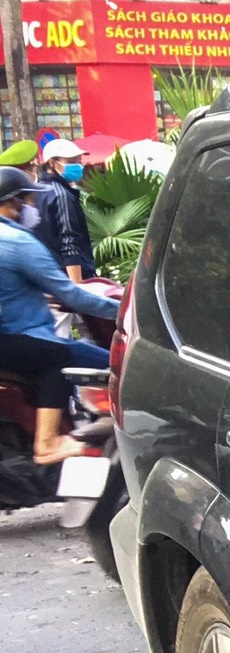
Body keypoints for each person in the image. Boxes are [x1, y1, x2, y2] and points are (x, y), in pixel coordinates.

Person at [0, 164, 119, 464]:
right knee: (71, 359)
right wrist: (126, 311)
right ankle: (48, 444)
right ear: (13, 203)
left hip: (12, 337)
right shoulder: (17, 243)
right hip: (15, 337)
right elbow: (71, 293)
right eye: (28, 200)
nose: (32, 207)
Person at [32, 137, 96, 284]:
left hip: (47, 276)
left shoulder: (37, 191)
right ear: (53, 163)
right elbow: (69, 240)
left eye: (78, 161)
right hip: (68, 277)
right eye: (71, 161)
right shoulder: (61, 196)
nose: (78, 166)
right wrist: (77, 285)